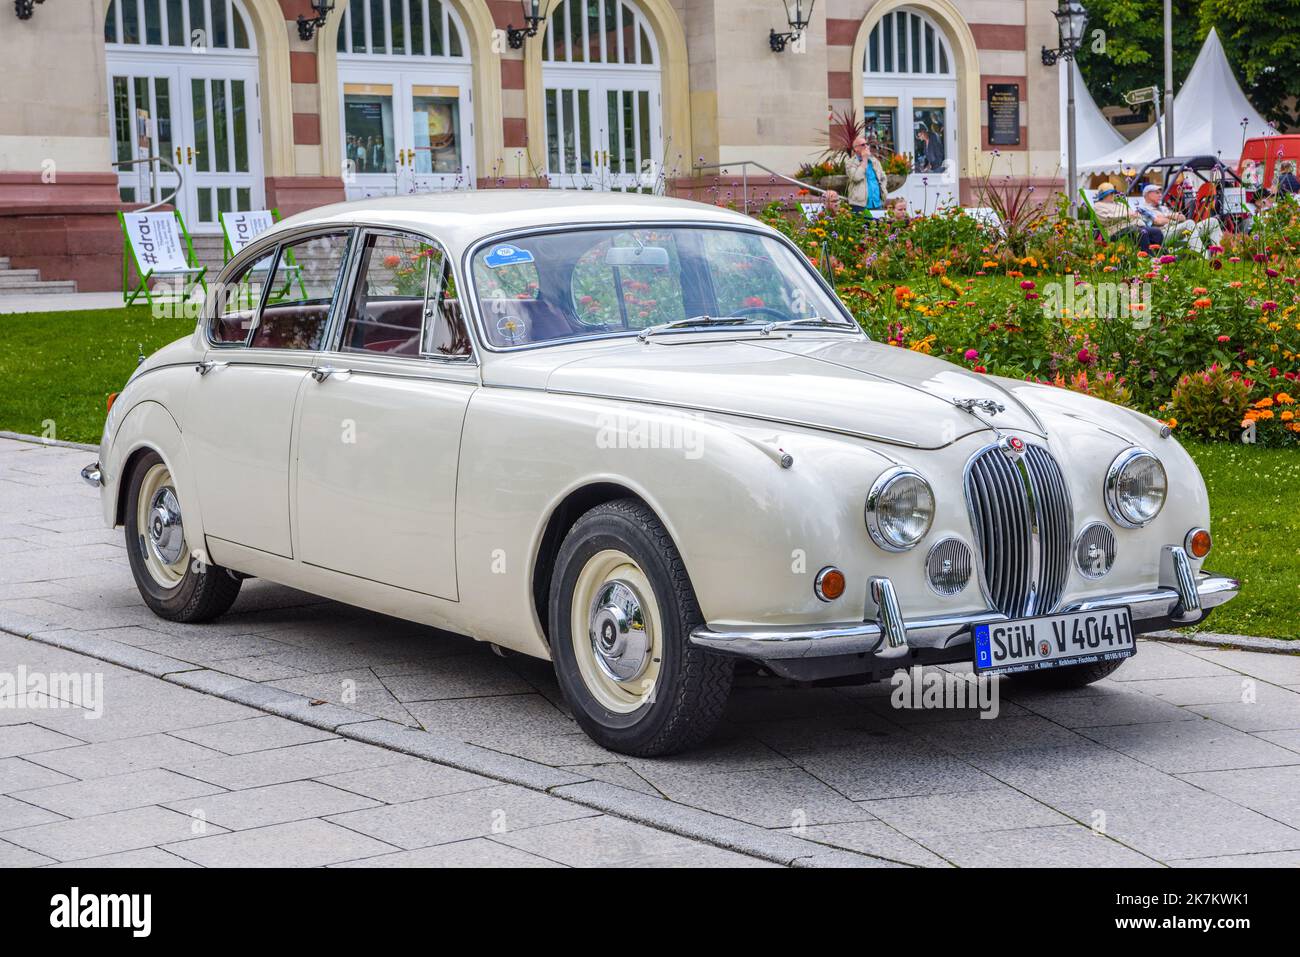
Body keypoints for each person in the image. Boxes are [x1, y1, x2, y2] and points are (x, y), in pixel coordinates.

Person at [1135, 182, 1223, 254]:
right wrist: (1172, 217)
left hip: (1181, 232)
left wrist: (1166, 216)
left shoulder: (1163, 207)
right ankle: (1203, 258)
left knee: (1213, 221)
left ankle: (1221, 256)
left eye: (1161, 192)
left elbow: (1182, 218)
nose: (1160, 195)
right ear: (1147, 194)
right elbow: (1158, 221)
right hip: (1164, 234)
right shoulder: (1143, 208)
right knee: (1189, 223)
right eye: (1157, 193)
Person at [1091, 186, 1162, 253]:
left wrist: (1135, 215)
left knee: (1156, 232)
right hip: (1115, 230)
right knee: (1142, 232)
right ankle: (1146, 255)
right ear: (1104, 195)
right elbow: (1105, 218)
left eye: (1113, 193)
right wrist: (1126, 215)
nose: (1113, 195)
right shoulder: (1098, 205)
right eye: (1110, 193)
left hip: (1131, 226)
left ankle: (1158, 253)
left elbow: (1131, 213)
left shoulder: (1119, 204)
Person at [845, 134, 889, 216]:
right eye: (862, 145)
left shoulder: (874, 161)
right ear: (856, 148)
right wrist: (864, 159)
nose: (866, 146)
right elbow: (856, 177)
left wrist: (883, 191)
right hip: (859, 205)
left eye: (866, 144)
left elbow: (883, 177)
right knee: (862, 228)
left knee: (877, 227)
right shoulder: (850, 163)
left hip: (876, 203)